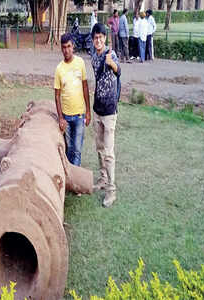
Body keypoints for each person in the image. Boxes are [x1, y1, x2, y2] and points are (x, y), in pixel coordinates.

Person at [90, 23, 121, 207]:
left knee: (109, 153)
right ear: (93, 40)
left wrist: (112, 64)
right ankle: (103, 179)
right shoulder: (94, 57)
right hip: (97, 110)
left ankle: (111, 190)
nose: (98, 40)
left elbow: (119, 71)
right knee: (99, 149)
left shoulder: (111, 55)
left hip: (109, 112)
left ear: (105, 38)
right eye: (96, 38)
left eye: (101, 37)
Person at [54, 33, 91, 168]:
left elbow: (85, 87)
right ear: (61, 49)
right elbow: (57, 95)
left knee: (77, 149)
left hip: (80, 116)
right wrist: (60, 118)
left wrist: (88, 112)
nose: (66, 50)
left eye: (69, 46)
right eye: (64, 47)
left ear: (73, 47)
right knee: (69, 148)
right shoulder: (59, 69)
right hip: (66, 117)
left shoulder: (80, 63)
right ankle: (70, 176)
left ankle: (75, 174)